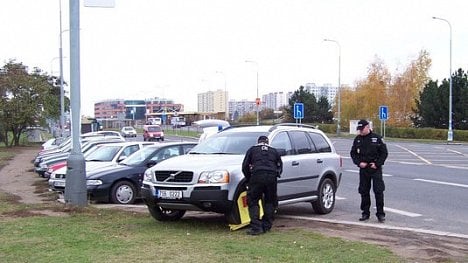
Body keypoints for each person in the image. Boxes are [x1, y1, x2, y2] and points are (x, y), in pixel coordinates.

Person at [242, 135, 283, 235]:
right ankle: (267, 226)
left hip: (257, 175)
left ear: (258, 141)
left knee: (253, 200)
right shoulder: (274, 151)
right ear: (267, 142)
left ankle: (256, 227)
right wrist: (276, 174)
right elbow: (280, 166)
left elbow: (244, 166)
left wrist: (249, 178)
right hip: (271, 177)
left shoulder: (252, 150)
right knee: (270, 201)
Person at [350, 119, 388, 223]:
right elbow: (353, 153)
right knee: (364, 191)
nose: (360, 131)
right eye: (359, 129)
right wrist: (358, 163)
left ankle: (380, 214)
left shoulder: (377, 138)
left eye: (362, 129)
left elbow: (384, 153)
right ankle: (365, 213)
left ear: (368, 127)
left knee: (378, 191)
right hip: (364, 169)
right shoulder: (357, 139)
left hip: (375, 168)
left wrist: (377, 164)